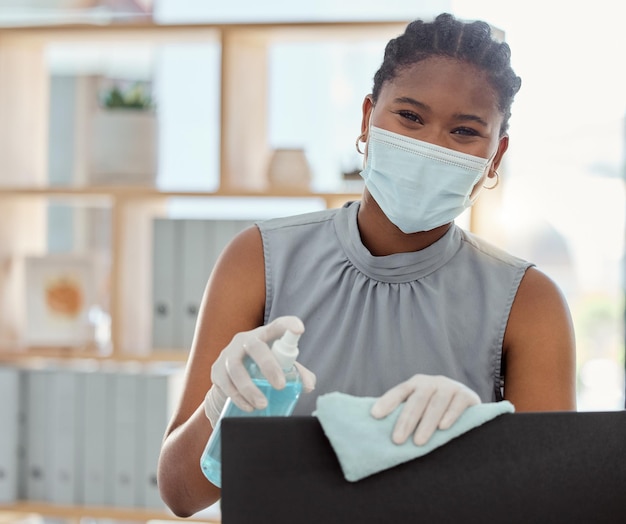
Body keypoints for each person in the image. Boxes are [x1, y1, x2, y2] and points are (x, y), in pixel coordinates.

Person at [158, 12, 576, 516]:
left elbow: (554, 508)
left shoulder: (528, 303)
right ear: (366, 119)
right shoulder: (258, 259)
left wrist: (479, 441)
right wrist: (222, 408)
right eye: (410, 117)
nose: (431, 146)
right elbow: (182, 495)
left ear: (495, 156)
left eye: (464, 131)